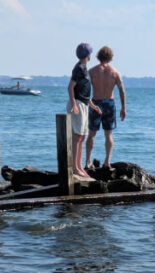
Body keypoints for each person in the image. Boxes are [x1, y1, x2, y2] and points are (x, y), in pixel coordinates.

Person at [86, 46, 126, 168]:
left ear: (98, 57)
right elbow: (122, 90)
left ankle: (87, 162)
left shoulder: (92, 71)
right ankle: (107, 162)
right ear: (110, 57)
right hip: (109, 103)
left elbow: (85, 89)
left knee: (92, 133)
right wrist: (123, 107)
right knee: (108, 134)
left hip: (95, 103)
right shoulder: (115, 72)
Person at [67, 43, 102, 179]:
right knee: (77, 137)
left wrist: (92, 105)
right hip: (78, 104)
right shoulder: (79, 69)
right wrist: (74, 104)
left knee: (81, 137)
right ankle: (75, 168)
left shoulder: (84, 68)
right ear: (88, 55)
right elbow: (71, 87)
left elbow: (84, 91)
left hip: (84, 104)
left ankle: (79, 165)